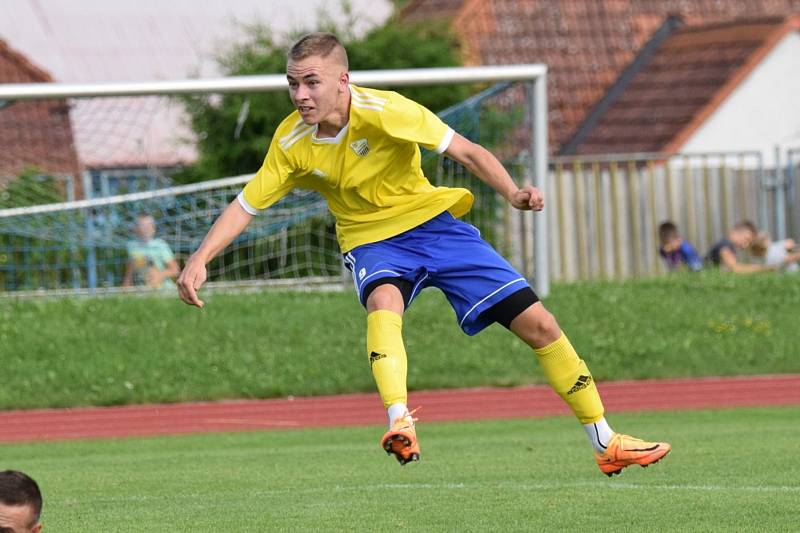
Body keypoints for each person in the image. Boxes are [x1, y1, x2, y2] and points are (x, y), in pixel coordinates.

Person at [177, 32, 670, 476]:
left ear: (343, 81)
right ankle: (400, 422)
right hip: (370, 240)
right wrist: (201, 258)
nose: (301, 95)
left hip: (434, 226)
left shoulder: (388, 111)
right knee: (383, 302)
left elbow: (468, 152)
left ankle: (606, 441)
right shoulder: (291, 142)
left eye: (311, 82)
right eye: (293, 84)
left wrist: (514, 193)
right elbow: (245, 206)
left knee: (541, 324)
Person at [122, 214, 179, 289]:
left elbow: (175, 269)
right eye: (141, 225)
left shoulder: (160, 245)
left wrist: (160, 275)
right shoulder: (132, 246)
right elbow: (130, 268)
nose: (144, 229)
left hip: (163, 289)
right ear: (135, 229)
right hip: (142, 290)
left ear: (153, 228)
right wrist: (126, 283)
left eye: (147, 226)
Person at [707, 220, 773, 273]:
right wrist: (762, 269)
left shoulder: (726, 245)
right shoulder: (725, 245)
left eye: (749, 243)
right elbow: (735, 268)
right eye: (746, 239)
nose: (746, 245)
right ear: (735, 233)